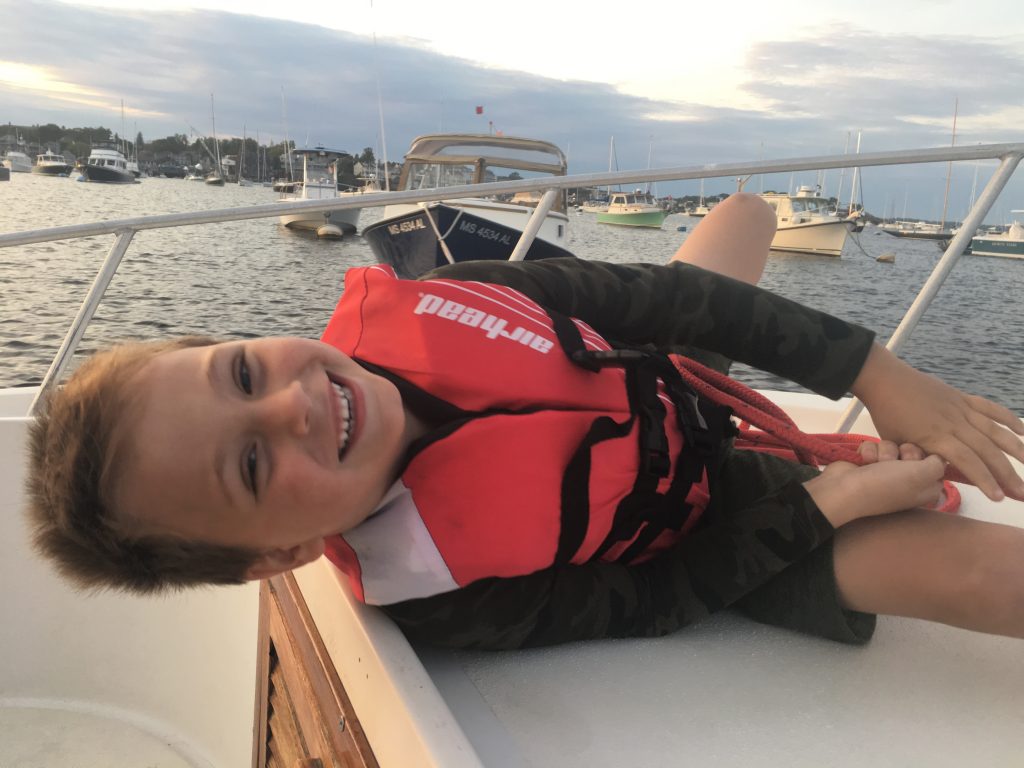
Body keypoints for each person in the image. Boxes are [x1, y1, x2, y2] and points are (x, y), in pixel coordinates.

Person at [26, 194, 1024, 649]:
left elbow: (668, 301)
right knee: (984, 574)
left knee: (750, 215)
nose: (289, 403)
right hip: (718, 524)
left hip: (668, 384)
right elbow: (657, 597)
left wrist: (871, 371)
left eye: (241, 372)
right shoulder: (434, 593)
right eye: (248, 465)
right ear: (277, 556)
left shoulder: (455, 295)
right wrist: (829, 504)